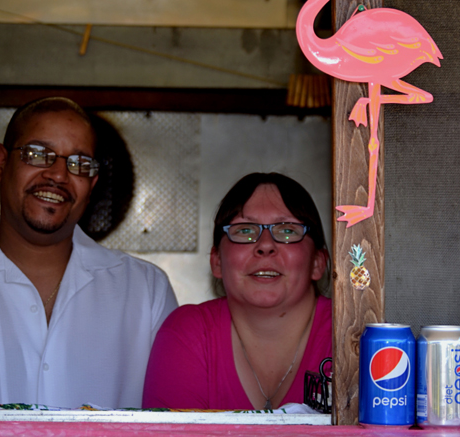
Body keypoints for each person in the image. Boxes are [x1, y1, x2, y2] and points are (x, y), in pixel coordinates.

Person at [0, 97, 178, 409]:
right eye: (38, 154)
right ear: (1, 164)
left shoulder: (145, 290)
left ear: (92, 183)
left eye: (79, 164)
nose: (58, 175)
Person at [142, 172, 331, 410]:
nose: (264, 245)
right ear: (217, 261)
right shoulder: (187, 334)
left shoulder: (353, 336)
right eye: (244, 230)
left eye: (287, 230)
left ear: (317, 262)